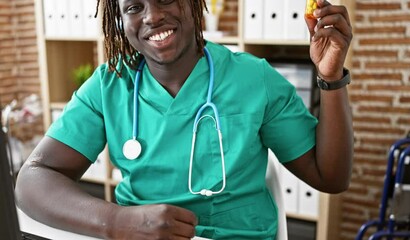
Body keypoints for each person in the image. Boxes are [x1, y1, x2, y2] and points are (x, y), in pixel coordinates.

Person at [15, 0, 353, 239]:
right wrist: (117, 222)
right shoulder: (109, 86)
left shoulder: (254, 79)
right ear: (119, 19)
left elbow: (330, 177)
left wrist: (332, 77)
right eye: (134, 6)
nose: (152, 16)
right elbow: (32, 180)